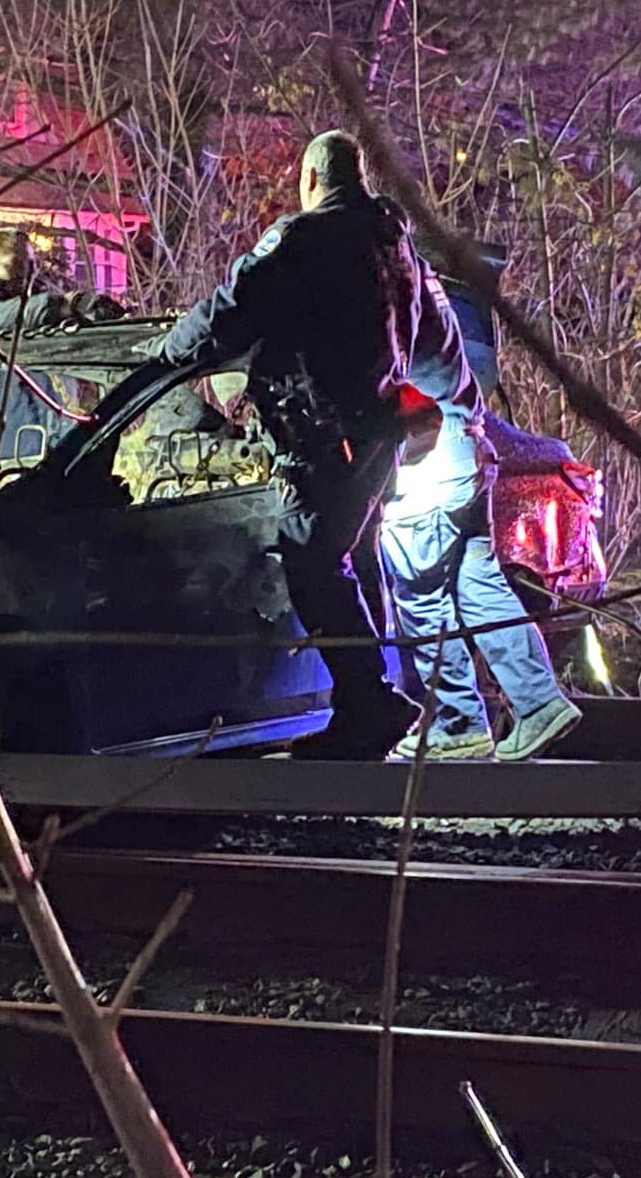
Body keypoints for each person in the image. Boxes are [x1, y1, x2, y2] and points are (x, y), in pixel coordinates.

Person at [150, 129, 439, 759]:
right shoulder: (393, 241)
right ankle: (369, 703)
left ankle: (368, 701)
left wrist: (169, 350)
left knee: (311, 557)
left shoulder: (306, 240)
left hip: (325, 436)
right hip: (375, 432)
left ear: (310, 180)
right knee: (356, 561)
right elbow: (430, 330)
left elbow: (235, 308)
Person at [379, 271, 584, 760]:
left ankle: (457, 725)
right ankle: (539, 703)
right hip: (470, 449)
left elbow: (383, 380)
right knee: (479, 587)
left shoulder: (378, 289)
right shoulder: (421, 280)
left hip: (425, 462)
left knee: (421, 595)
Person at [0, 226, 123, 456]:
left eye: (29, 267)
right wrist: (65, 306)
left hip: (45, 452)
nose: (23, 277)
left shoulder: (37, 313)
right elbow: (4, 318)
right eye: (14, 267)